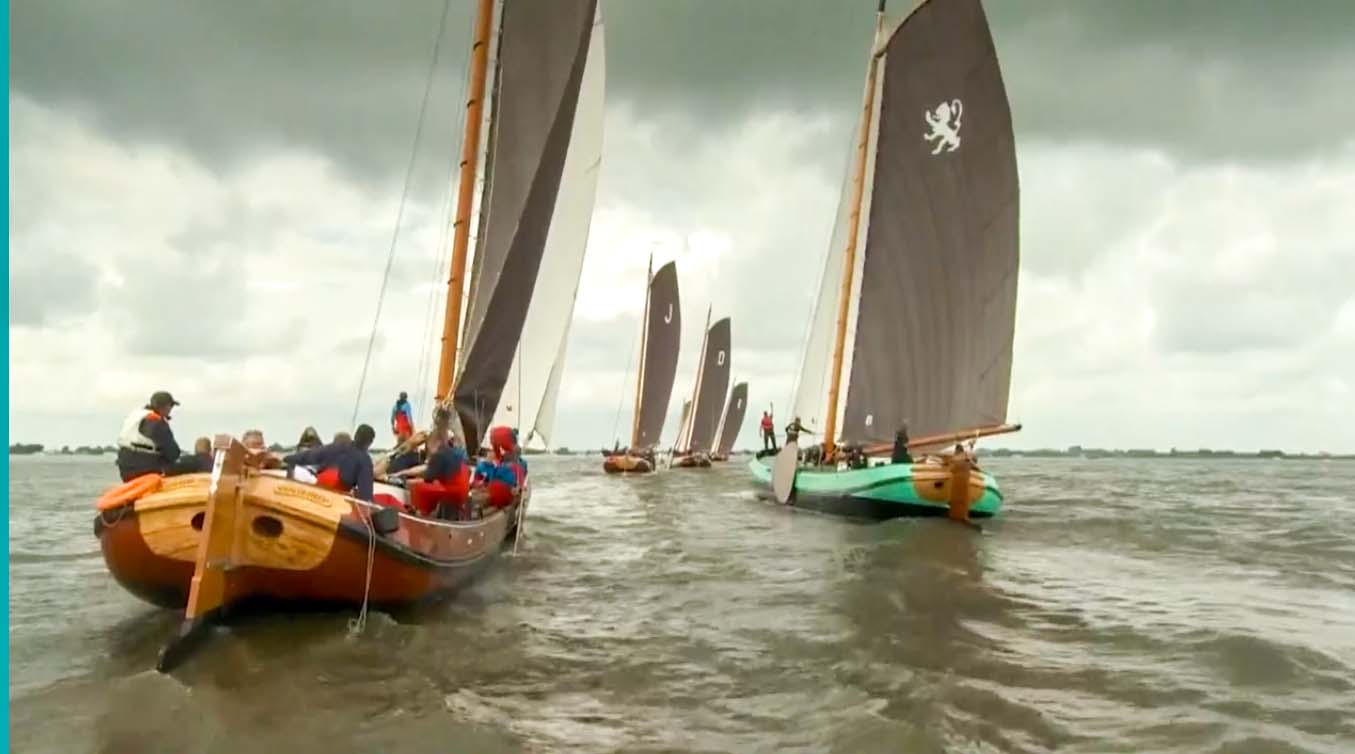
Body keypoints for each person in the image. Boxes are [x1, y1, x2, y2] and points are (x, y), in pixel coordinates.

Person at [281, 424, 376, 501]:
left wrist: (287, 459)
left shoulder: (336, 447)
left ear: (355, 435)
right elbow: (366, 494)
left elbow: (309, 455)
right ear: (370, 443)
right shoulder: (365, 460)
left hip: (319, 488)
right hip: (337, 493)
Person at [116, 391, 198, 480]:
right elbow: (173, 453)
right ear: (166, 406)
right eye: (171, 407)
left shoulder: (137, 415)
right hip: (144, 467)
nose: (171, 410)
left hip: (125, 466)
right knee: (194, 463)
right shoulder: (155, 420)